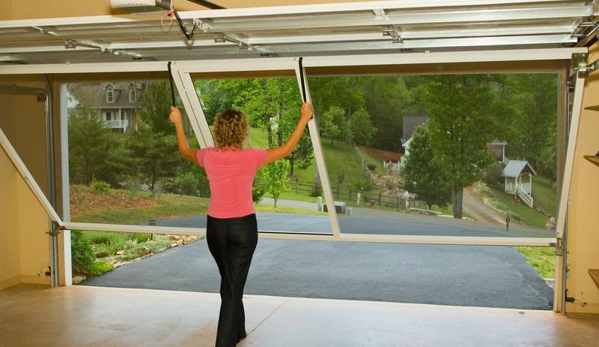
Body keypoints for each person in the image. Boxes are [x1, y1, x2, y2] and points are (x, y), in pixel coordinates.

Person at [169, 102, 314, 347]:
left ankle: (239, 330)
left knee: (230, 281)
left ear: (218, 131)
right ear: (242, 132)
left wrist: (179, 123)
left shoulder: (208, 156)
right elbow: (288, 148)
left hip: (216, 230)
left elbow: (184, 149)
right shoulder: (251, 156)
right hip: (242, 229)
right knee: (233, 286)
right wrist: (303, 118)